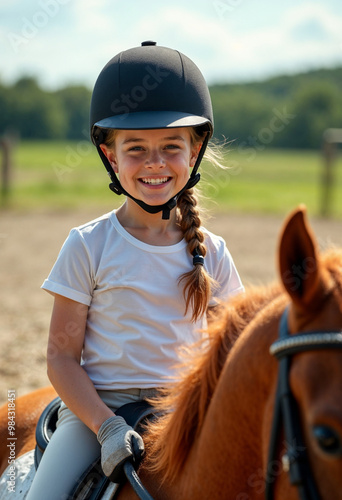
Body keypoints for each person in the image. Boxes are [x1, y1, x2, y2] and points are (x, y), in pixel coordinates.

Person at [27, 41, 244, 499]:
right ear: (110, 155)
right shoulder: (88, 245)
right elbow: (61, 359)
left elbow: (230, 356)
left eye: (171, 147)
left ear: (196, 149)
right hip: (97, 415)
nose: (154, 163)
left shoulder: (216, 254)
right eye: (136, 149)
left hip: (184, 414)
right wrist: (105, 427)